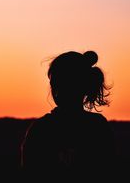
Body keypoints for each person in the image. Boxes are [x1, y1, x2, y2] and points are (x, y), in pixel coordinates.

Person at [20, 50, 116, 181]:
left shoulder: (41, 128)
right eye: (56, 84)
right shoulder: (98, 126)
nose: (58, 91)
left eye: (67, 84)